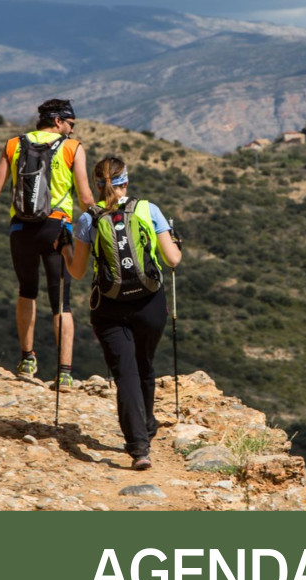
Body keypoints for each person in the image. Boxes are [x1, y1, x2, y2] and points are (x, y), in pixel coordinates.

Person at [63, 156, 182, 470]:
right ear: (125, 181)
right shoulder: (148, 209)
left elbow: (76, 272)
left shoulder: (89, 219)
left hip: (109, 308)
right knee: (144, 365)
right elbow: (172, 260)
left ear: (98, 185)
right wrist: (176, 242)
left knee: (125, 374)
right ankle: (148, 424)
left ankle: (139, 446)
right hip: (150, 305)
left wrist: (64, 249)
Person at [0, 99, 95, 388]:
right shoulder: (73, 148)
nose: (71, 129)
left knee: (26, 292)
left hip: (21, 228)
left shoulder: (13, 144)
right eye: (70, 124)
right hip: (57, 228)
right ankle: (65, 372)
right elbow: (85, 198)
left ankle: (27, 359)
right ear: (57, 121)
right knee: (61, 301)